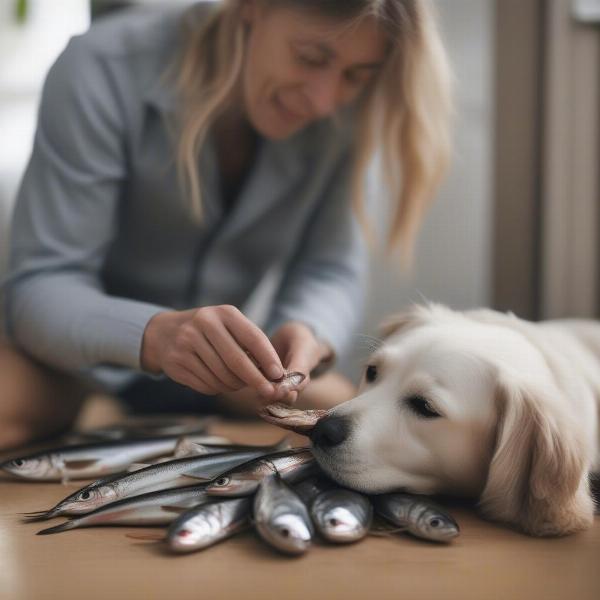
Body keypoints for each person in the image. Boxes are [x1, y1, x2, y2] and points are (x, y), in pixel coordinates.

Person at [0, 0, 452, 449]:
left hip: (232, 373)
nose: (324, 101)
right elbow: (39, 288)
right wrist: (155, 337)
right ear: (251, 7)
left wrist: (307, 329)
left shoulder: (348, 108)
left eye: (357, 75)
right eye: (311, 57)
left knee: (362, 425)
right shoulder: (102, 66)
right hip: (74, 366)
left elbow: (329, 269)